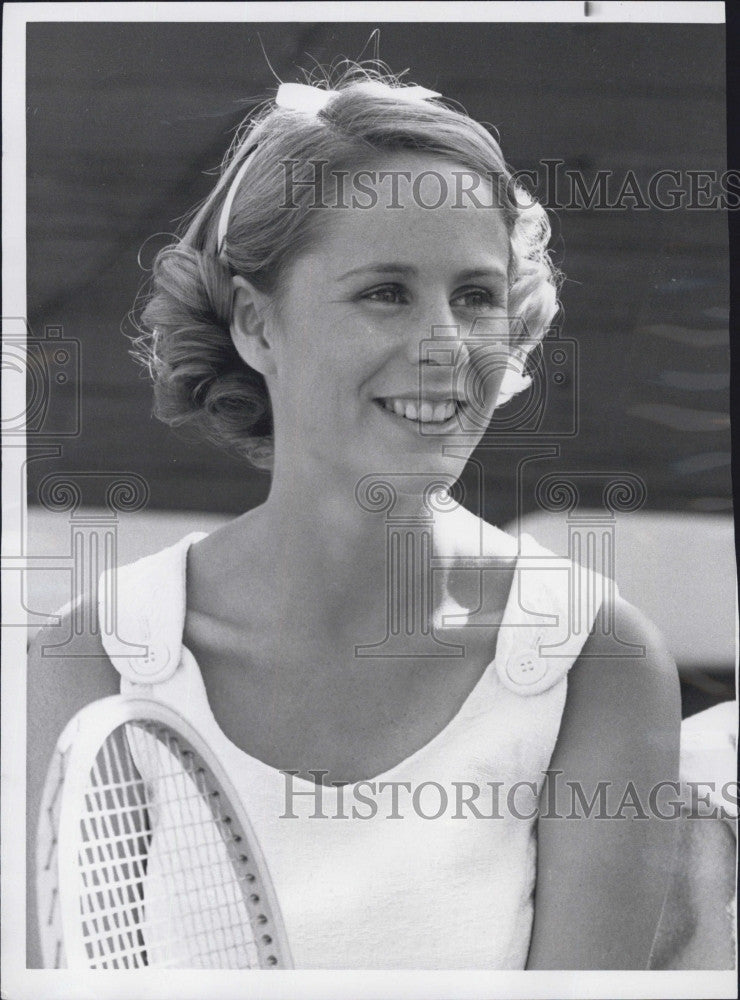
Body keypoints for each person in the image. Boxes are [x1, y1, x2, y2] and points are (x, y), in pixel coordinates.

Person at [27, 63, 683, 970]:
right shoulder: (95, 658)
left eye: (477, 297)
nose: (447, 348)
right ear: (257, 326)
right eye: (385, 292)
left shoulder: (597, 661)